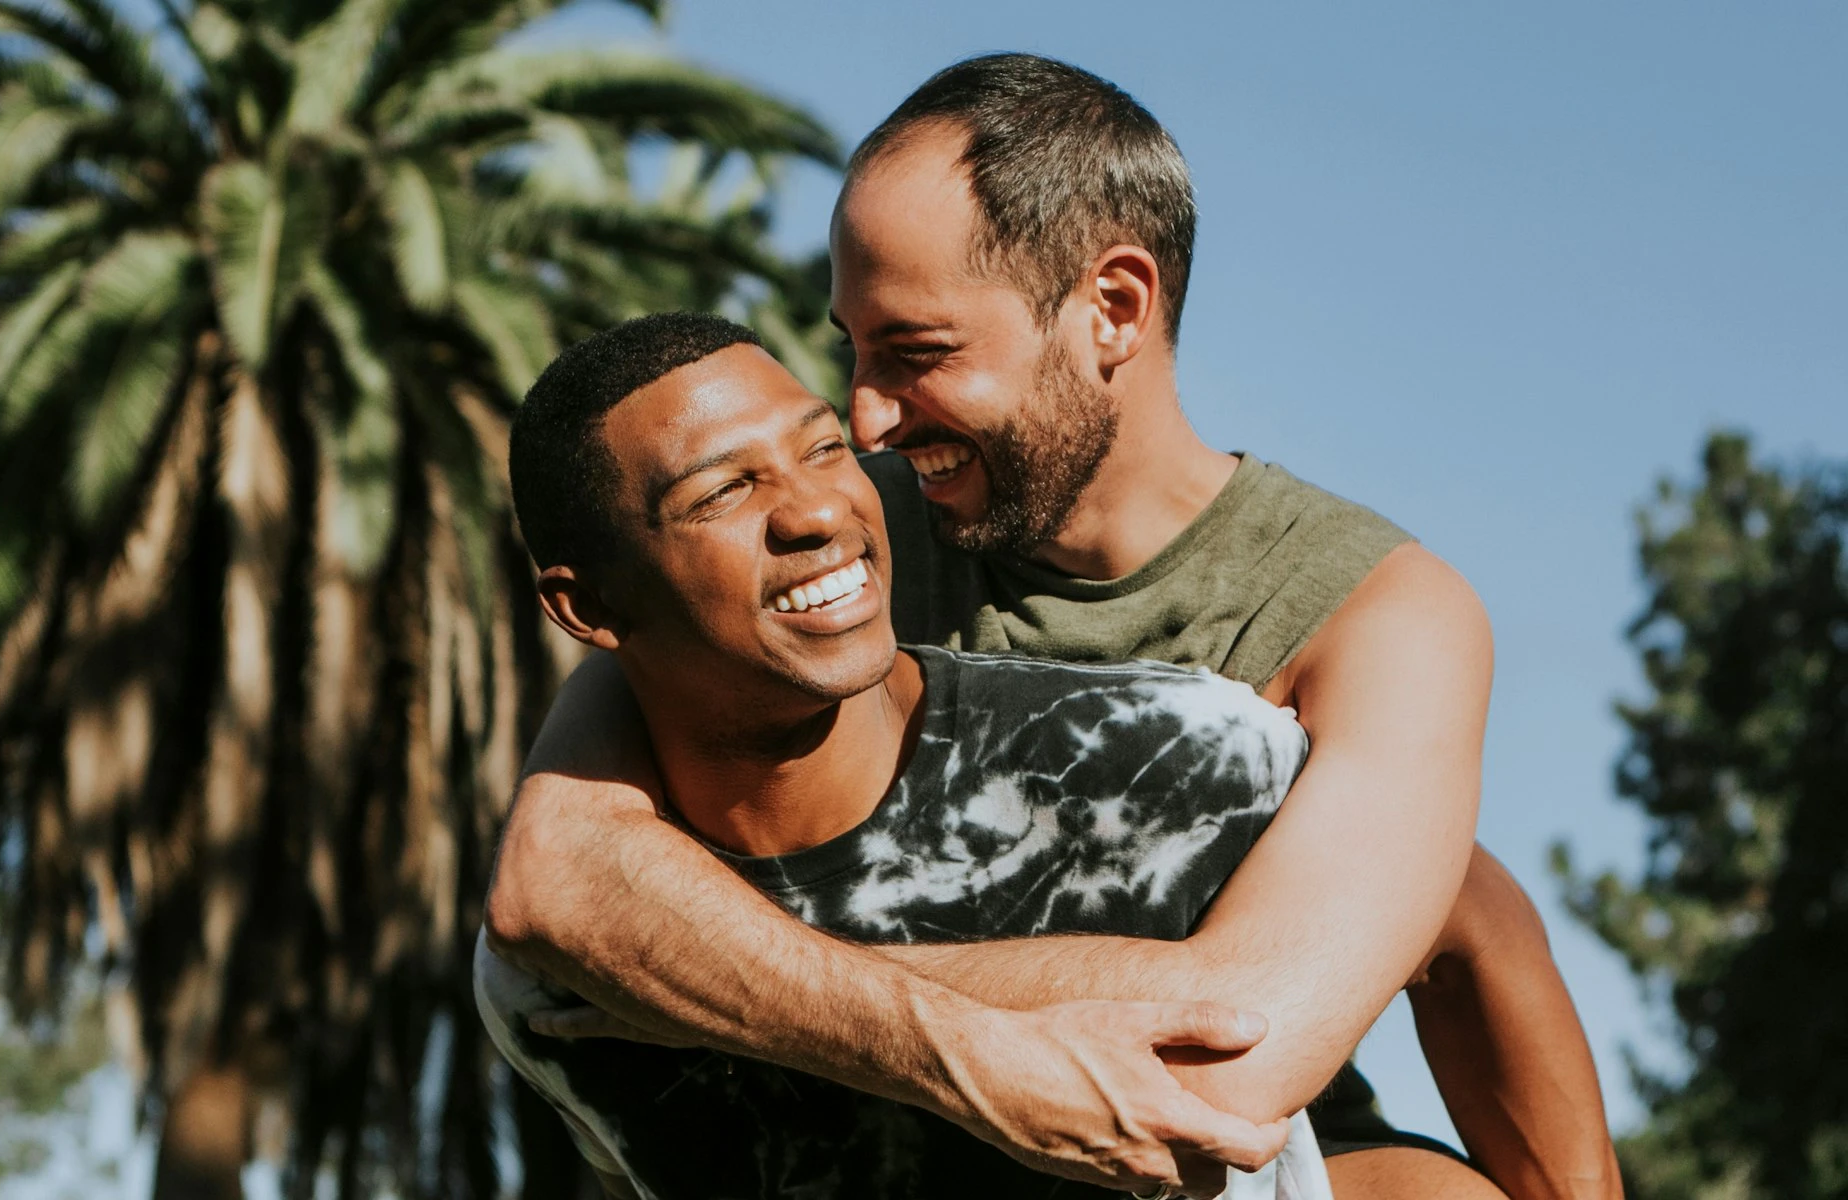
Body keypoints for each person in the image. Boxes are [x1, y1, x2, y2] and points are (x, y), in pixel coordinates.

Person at [483, 54, 1621, 1200]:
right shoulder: (825, 552)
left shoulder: (1372, 615)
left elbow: (1237, 1053)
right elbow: (561, 885)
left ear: (1111, 309)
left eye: (916, 354)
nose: (866, 419)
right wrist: (861, 1017)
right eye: (850, 353)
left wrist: (732, 990)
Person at [481, 310, 1330, 1199]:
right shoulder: (561, 991)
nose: (817, 510)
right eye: (723, 492)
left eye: (823, 448)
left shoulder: (1163, 764)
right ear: (589, 611)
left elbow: (1443, 909)